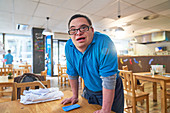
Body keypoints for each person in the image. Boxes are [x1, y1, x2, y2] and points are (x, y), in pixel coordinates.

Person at [61, 14, 124, 113]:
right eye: (73, 30)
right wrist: (74, 96)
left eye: (83, 28)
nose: (78, 33)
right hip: (89, 88)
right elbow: (72, 74)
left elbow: (108, 80)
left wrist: (105, 109)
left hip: (112, 89)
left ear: (92, 30)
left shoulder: (104, 42)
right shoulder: (69, 46)